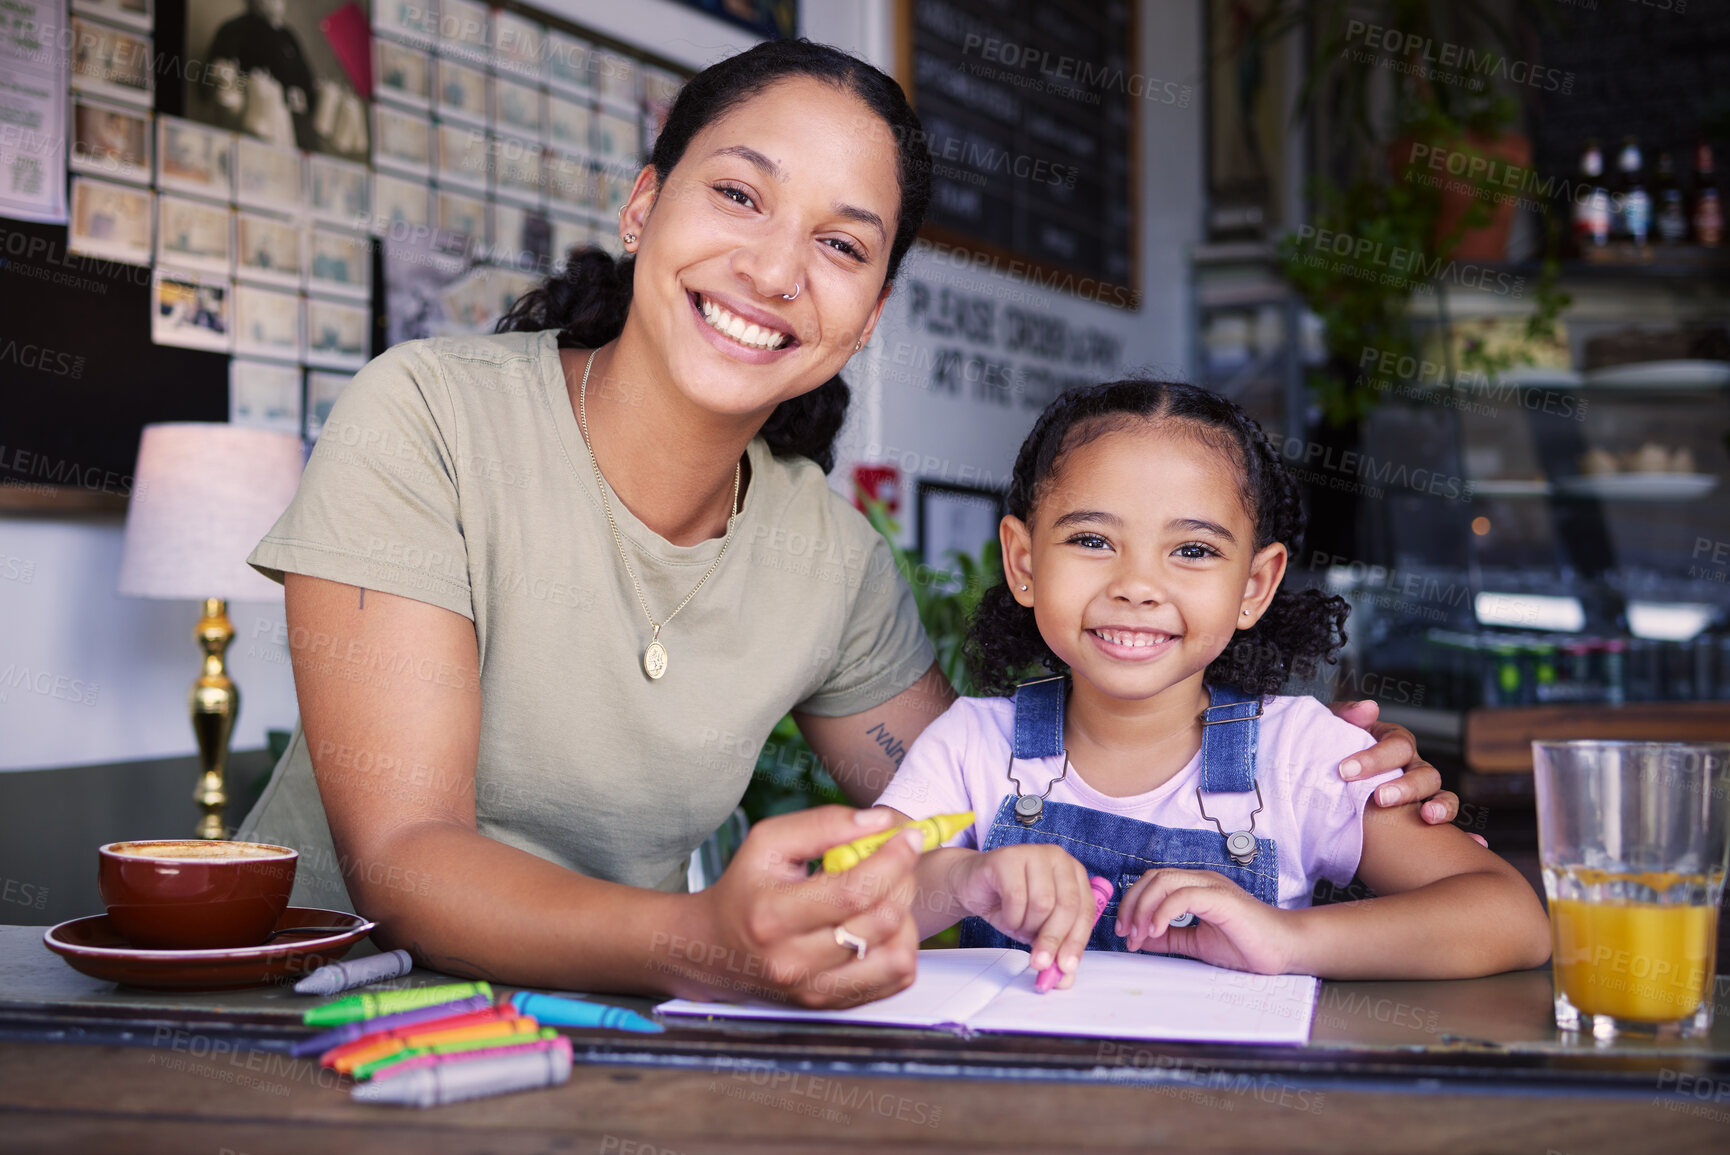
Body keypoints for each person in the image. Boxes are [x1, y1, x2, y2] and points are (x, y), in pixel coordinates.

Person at [237, 40, 1460, 1009]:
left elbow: (973, 804)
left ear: (867, 314)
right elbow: (404, 859)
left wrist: (1324, 769)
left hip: (612, 1035)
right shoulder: (432, 416)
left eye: (838, 244)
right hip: (307, 1011)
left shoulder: (828, 561)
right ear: (640, 206)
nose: (775, 272)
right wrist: (701, 940)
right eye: (735, 195)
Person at [874, 381, 1550, 987]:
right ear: (1023, 562)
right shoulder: (972, 744)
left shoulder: (1301, 754)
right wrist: (966, 879)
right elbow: (854, 904)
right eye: (1091, 540)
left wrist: (1287, 940)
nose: (1137, 586)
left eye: (1192, 551)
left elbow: (1511, 917)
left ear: (1254, 586)